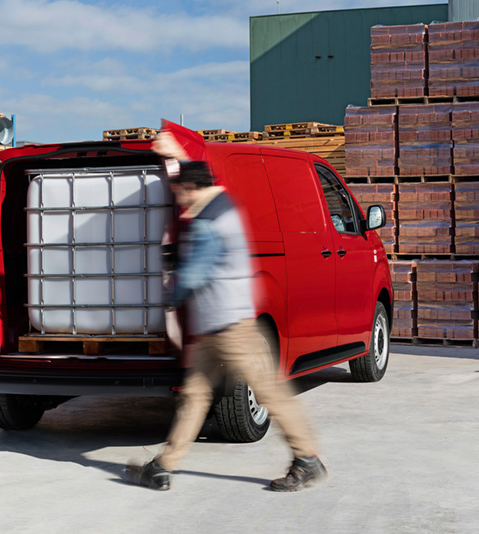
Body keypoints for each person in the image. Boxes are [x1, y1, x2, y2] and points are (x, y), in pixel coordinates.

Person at [124, 131, 327, 492]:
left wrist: (166, 297)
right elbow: (200, 176)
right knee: (195, 395)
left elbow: (196, 272)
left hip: (230, 327)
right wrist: (177, 153)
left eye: (180, 193)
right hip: (216, 327)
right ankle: (163, 466)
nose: (179, 200)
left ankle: (307, 458)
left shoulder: (209, 223)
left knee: (268, 391)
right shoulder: (220, 202)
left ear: (190, 190)